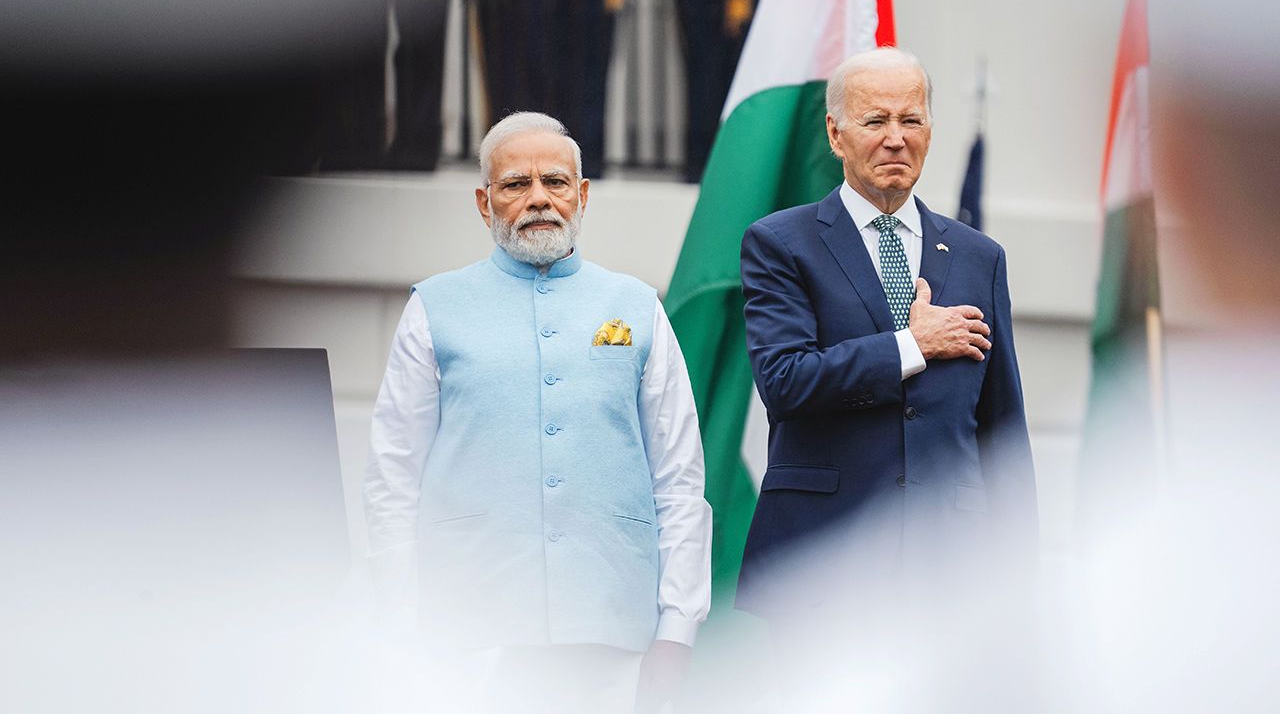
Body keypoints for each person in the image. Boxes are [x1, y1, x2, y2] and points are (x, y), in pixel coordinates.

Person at [363, 111, 711, 713]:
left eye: (554, 182)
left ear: (582, 195)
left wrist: (677, 628)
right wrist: (399, 620)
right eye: (516, 184)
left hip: (611, 625)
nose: (538, 199)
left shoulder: (637, 306)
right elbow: (393, 477)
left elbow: (678, 480)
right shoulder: (433, 307)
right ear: (484, 201)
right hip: (468, 633)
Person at [735, 47, 1038, 654]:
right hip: (823, 565)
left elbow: (1002, 428)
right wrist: (911, 344)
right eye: (876, 122)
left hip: (950, 570)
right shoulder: (781, 244)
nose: (896, 139)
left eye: (912, 120)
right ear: (836, 133)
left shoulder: (981, 257)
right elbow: (786, 382)